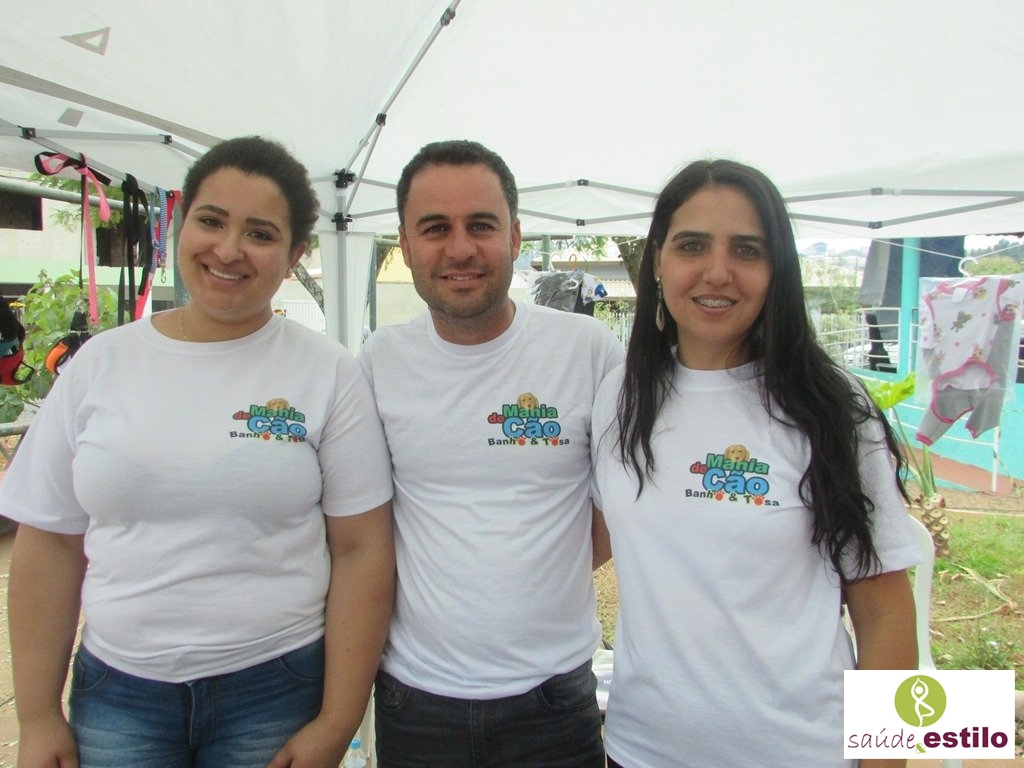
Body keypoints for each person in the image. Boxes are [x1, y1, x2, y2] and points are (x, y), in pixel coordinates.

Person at [2, 136, 395, 768]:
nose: (229, 249)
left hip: (275, 687)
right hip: (119, 694)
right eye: (211, 221)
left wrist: (336, 721)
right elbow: (49, 540)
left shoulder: (328, 373)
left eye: (260, 234)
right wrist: (40, 715)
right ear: (182, 223)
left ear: (295, 254)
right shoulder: (100, 364)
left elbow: (362, 550)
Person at [590, 159, 922, 768]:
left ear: (777, 270)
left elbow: (883, 609)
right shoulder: (619, 397)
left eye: (747, 250)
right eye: (692, 245)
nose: (718, 272)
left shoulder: (832, 408)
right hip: (640, 751)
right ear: (658, 260)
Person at [358, 139, 624, 767]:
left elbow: (617, 513)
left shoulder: (588, 350)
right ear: (405, 243)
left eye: (481, 225)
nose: (460, 249)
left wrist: (874, 749)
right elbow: (361, 530)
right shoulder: (378, 360)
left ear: (516, 236)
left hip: (553, 701)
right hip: (416, 703)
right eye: (435, 228)